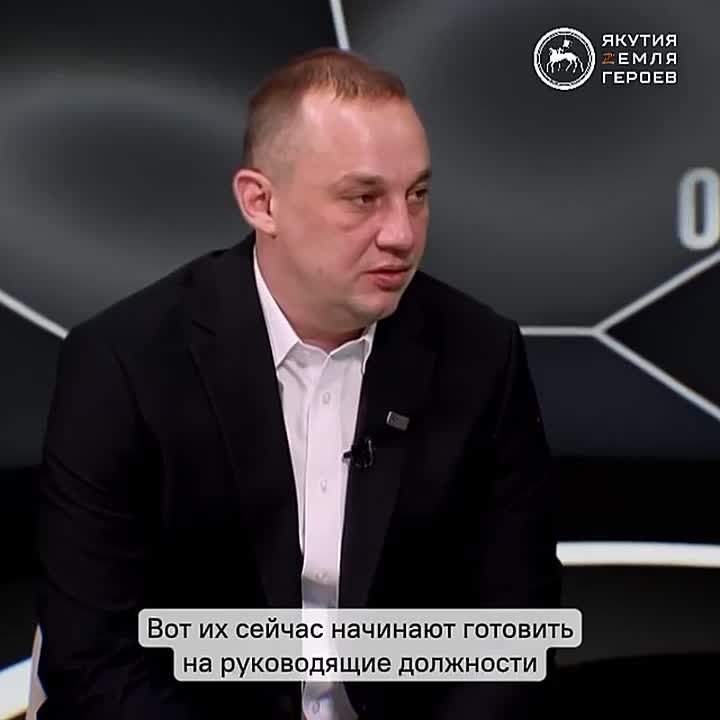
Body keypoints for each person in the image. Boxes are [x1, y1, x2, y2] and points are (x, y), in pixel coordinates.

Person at [34, 47, 561, 719]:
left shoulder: (481, 355)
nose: (401, 234)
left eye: (418, 195)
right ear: (261, 202)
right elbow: (92, 659)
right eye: (363, 198)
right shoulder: (123, 363)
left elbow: (517, 629)